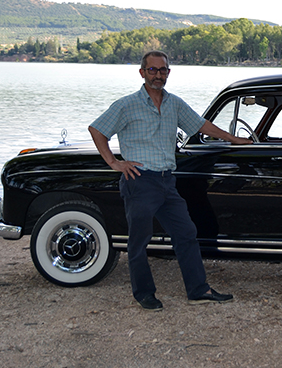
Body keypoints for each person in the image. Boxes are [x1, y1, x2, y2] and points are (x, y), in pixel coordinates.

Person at [88, 50, 251, 311]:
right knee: (139, 241)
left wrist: (235, 140)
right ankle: (144, 294)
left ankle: (198, 290)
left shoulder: (174, 103)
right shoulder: (126, 104)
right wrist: (114, 163)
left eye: (163, 70)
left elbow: (202, 125)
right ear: (142, 73)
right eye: (152, 70)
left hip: (167, 181)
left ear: (168, 73)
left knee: (186, 233)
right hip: (139, 181)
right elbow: (97, 129)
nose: (158, 75)